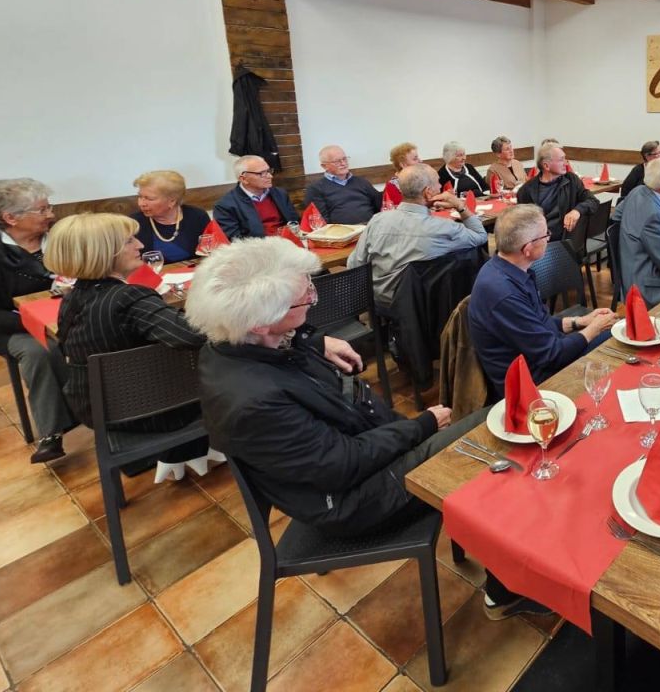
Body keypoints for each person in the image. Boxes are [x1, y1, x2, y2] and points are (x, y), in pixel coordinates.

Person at [191, 236, 479, 533]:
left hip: (367, 447)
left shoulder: (236, 343)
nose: (312, 299)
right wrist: (422, 426)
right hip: (353, 500)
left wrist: (315, 343)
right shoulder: (255, 404)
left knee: (482, 431)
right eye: (305, 297)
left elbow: (283, 356)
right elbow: (344, 464)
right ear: (262, 323)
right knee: (484, 433)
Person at [45, 213, 213, 481]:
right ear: (104, 252)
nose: (140, 245)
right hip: (152, 411)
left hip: (97, 409)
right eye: (129, 241)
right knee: (234, 363)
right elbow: (193, 335)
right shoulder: (128, 297)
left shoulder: (72, 298)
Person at [467, 205, 616, 398]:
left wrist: (580, 322)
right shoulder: (503, 293)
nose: (548, 238)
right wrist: (594, 328)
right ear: (527, 249)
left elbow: (537, 322)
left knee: (615, 334)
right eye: (545, 235)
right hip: (533, 383)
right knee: (615, 344)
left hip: (542, 357)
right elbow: (552, 355)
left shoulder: (510, 269)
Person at [0, 179, 76, 464]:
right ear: (10, 218)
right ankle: (52, 432)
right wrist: (34, 321)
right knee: (39, 351)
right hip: (8, 325)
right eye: (42, 210)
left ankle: (105, 406)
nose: (51, 214)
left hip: (65, 315)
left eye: (49, 207)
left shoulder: (59, 237)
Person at [347, 165, 488, 308]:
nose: (441, 186)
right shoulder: (444, 228)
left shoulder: (377, 220)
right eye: (438, 182)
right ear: (428, 192)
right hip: (426, 304)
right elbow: (480, 235)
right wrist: (460, 206)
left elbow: (354, 264)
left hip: (380, 301)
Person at [611, 158, 660, 307]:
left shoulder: (637, 191)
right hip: (650, 286)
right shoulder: (654, 215)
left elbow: (616, 216)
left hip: (635, 269)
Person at [516, 141, 600, 242]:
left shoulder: (571, 180)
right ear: (546, 166)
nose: (566, 163)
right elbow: (523, 225)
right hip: (541, 242)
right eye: (561, 160)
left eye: (565, 159)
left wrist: (577, 211)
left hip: (567, 240)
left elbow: (593, 201)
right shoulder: (526, 191)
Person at [130, 171, 211, 264]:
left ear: (172, 201)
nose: (141, 203)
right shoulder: (133, 223)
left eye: (150, 199)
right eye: (140, 197)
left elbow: (212, 253)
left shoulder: (197, 216)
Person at [212, 155, 297, 239]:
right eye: (262, 173)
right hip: (257, 246)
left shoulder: (280, 193)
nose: (270, 176)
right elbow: (235, 240)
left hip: (288, 242)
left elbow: (294, 222)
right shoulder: (225, 206)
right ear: (244, 179)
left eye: (269, 171)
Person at [303, 145, 382, 225]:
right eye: (337, 161)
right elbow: (320, 221)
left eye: (344, 159)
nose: (343, 163)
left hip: (371, 227)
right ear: (324, 166)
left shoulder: (361, 181)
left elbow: (380, 205)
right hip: (342, 231)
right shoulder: (315, 189)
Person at [383, 142, 421, 207]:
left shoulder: (420, 178)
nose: (420, 161)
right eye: (415, 159)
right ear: (403, 165)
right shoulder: (392, 187)